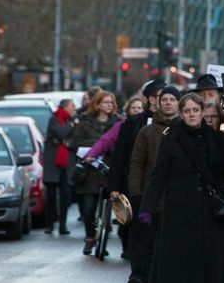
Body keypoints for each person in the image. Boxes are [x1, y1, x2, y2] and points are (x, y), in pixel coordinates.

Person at [139, 93, 224, 283]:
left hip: (211, 212)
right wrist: (147, 206)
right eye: (187, 111)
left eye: (196, 110)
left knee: (210, 262)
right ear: (181, 114)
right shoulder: (172, 139)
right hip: (181, 212)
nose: (192, 114)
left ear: (202, 112)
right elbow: (159, 173)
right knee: (186, 266)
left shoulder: (215, 138)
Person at [126, 86, 180, 283]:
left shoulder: (184, 129)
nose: (167, 103)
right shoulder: (146, 131)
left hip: (177, 196)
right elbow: (137, 162)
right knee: (146, 240)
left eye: (172, 99)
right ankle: (142, 276)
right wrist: (136, 193)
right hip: (150, 196)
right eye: (164, 99)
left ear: (178, 103)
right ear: (158, 103)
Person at [107, 79, 166, 257]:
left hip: (163, 185)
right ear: (151, 99)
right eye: (159, 96)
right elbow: (120, 157)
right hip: (136, 184)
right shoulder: (132, 124)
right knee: (137, 228)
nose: (164, 101)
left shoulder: (176, 124)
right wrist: (114, 186)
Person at [71, 90, 119, 255]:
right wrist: (97, 145)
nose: (109, 105)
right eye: (105, 102)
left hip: (109, 169)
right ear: (97, 104)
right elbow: (75, 143)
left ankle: (104, 238)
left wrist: (107, 146)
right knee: (88, 209)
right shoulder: (85, 122)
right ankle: (90, 238)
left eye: (111, 102)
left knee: (109, 208)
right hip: (89, 172)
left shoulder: (118, 122)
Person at [43, 99, 78, 235]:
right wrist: (71, 125)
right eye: (72, 105)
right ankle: (50, 223)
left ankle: (63, 224)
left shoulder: (73, 121)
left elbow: (75, 141)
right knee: (51, 194)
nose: (74, 108)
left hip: (67, 163)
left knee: (65, 194)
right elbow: (60, 133)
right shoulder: (54, 119)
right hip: (53, 163)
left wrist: (65, 142)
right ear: (65, 107)